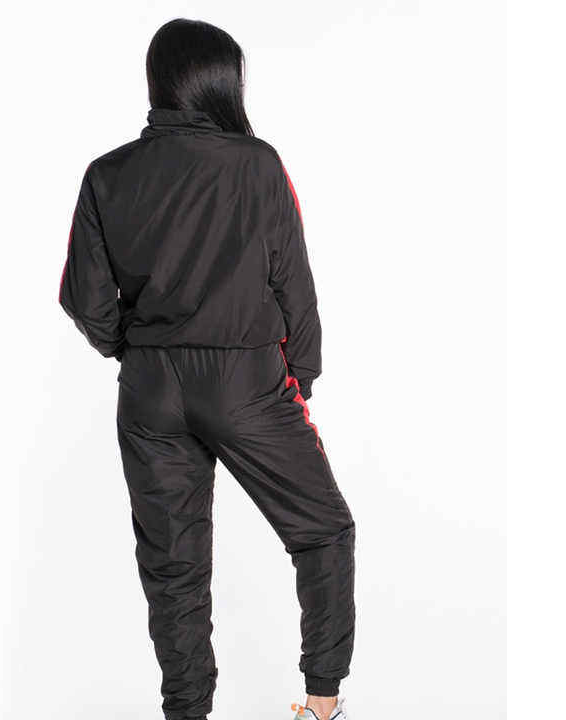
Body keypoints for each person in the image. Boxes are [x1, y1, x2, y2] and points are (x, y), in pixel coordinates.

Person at [59, 18, 355, 720]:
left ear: (158, 81)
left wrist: (136, 351)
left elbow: (84, 301)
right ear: (222, 83)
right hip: (246, 384)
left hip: (149, 391)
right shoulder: (256, 165)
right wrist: (299, 379)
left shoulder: (106, 175)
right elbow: (294, 285)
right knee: (323, 532)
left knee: (174, 570)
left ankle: (187, 713)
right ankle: (321, 708)